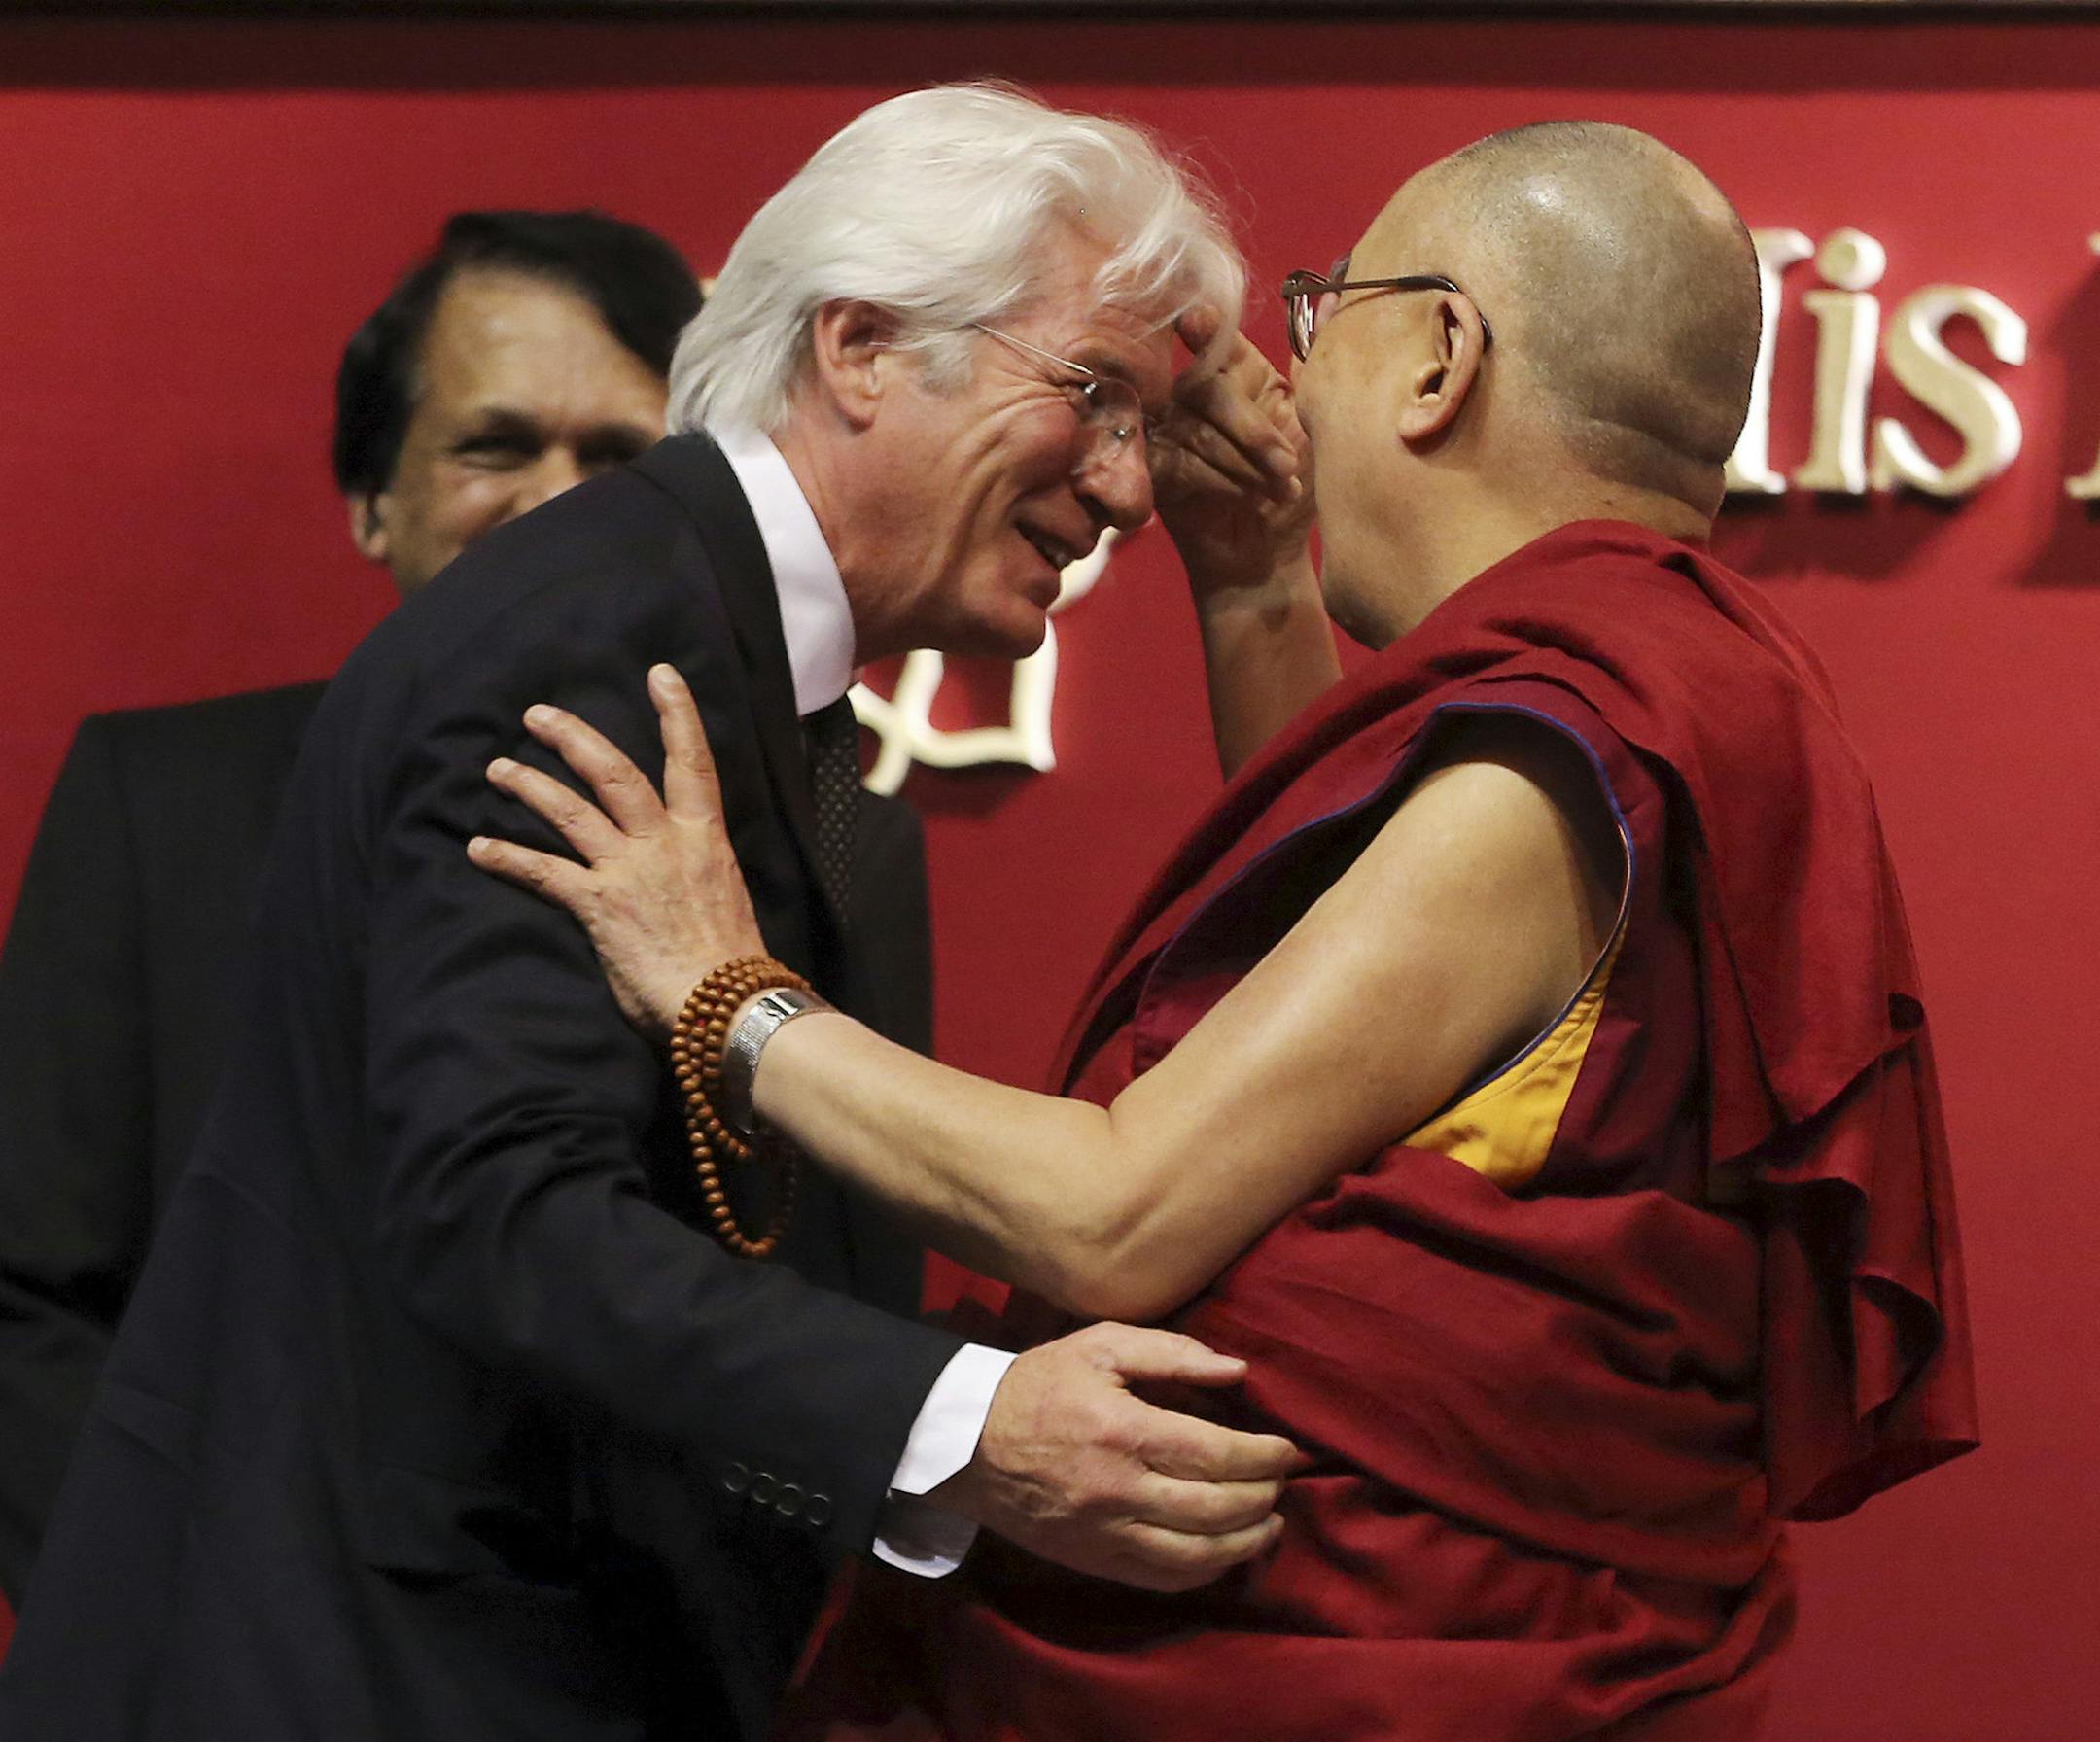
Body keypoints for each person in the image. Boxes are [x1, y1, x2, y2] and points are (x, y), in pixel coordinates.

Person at [472, 122, 1978, 1740]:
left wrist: (731, 998)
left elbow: (1117, 1213)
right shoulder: (1673, 695)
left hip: (1358, 1667)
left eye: (1327, 313)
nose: (1289, 381)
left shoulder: (1559, 769)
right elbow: (1367, 1020)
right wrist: (1257, 589)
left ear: (1441, 358)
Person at [0, 88, 1302, 1742]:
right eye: (1095, 395)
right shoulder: (595, 634)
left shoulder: (754, 667)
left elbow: (745, 1228)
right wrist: (967, 1422)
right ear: (863, 350)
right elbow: (495, 1207)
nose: (1126, 487)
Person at [0, 208, 708, 1610]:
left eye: (621, 459)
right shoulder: (159, 806)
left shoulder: (830, 839)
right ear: (374, 498)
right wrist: (191, 1623)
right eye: (493, 447)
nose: (558, 503)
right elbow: (22, 1301)